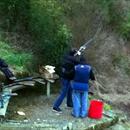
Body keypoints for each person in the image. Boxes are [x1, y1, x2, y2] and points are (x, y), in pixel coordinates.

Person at [53, 49, 83, 113]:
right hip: (66, 78)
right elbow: (79, 62)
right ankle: (55, 107)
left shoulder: (66, 57)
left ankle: (69, 104)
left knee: (70, 90)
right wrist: (79, 55)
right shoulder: (72, 60)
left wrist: (77, 54)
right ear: (74, 55)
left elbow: (73, 59)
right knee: (63, 93)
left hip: (66, 77)